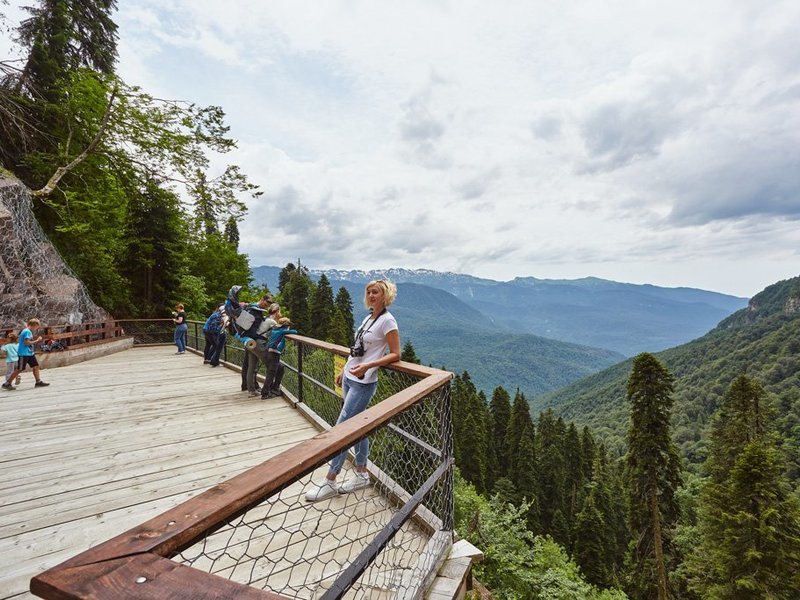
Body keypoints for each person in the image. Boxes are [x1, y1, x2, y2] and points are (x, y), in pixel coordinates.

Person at [305, 280, 400, 502]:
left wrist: (368, 366)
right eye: (368, 291)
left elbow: (396, 354)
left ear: (385, 296)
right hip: (350, 377)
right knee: (357, 427)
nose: (371, 295)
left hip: (364, 382)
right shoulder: (369, 317)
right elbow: (357, 348)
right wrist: (344, 370)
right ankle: (361, 472)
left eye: (375, 292)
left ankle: (330, 479)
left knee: (343, 428)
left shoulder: (388, 320)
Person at [2, 318, 50, 390]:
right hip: (24, 353)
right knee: (19, 369)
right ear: (34, 325)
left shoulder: (26, 331)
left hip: (29, 353)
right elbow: (26, 342)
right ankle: (7, 383)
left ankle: (38, 381)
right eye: (37, 327)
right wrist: (37, 340)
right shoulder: (27, 332)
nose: (36, 329)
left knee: (35, 366)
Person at [240, 294, 274, 394]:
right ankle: (267, 388)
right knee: (268, 362)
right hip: (253, 341)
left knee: (251, 366)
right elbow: (253, 328)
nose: (267, 306)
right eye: (267, 303)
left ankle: (251, 389)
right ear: (262, 299)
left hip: (248, 340)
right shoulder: (255, 309)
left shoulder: (251, 308)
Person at [261, 314, 297, 399]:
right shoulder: (282, 331)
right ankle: (265, 393)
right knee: (271, 374)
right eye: (288, 325)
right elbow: (295, 332)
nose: (289, 327)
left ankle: (274, 388)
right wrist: (288, 330)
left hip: (268, 352)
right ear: (285, 325)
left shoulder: (275, 329)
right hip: (274, 353)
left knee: (280, 368)